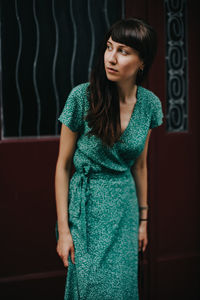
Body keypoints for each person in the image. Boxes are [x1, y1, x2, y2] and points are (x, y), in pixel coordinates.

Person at [55, 17, 164, 300]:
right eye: (109, 47)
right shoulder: (82, 97)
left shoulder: (149, 104)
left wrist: (143, 221)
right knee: (91, 288)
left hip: (124, 209)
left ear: (142, 62)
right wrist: (64, 232)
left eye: (123, 51)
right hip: (86, 210)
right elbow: (63, 167)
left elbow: (140, 165)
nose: (111, 58)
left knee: (122, 289)